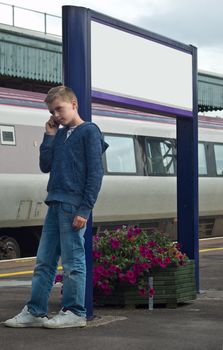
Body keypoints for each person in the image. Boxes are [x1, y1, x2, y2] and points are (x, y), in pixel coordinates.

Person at [4, 85, 108, 329]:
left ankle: (74, 312)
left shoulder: (90, 131)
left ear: (74, 104)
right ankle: (35, 311)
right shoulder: (60, 134)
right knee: (44, 261)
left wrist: (85, 209)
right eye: (52, 111)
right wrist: (49, 135)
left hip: (73, 205)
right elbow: (45, 165)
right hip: (55, 201)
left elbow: (95, 174)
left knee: (73, 262)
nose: (56, 115)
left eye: (59, 109)